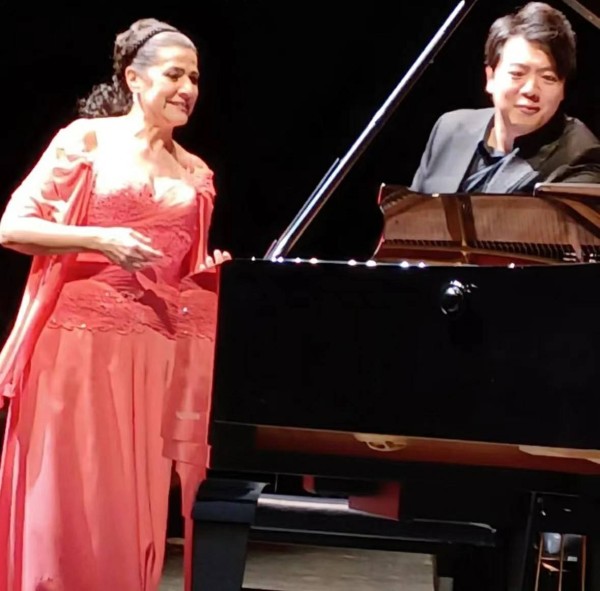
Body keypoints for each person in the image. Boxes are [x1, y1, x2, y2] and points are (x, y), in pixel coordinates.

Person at [0, 17, 230, 591]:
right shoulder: (86, 140)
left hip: (154, 354)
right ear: (134, 78)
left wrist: (215, 274)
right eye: (174, 75)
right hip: (75, 348)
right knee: (69, 497)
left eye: (195, 78)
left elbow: (184, 273)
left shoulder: (196, 172)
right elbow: (13, 227)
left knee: (130, 507)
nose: (188, 89)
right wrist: (99, 238)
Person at [411, 1, 600, 194]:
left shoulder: (580, 157)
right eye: (517, 73)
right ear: (490, 78)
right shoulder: (450, 128)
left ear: (563, 89)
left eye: (548, 78)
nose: (531, 90)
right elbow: (415, 208)